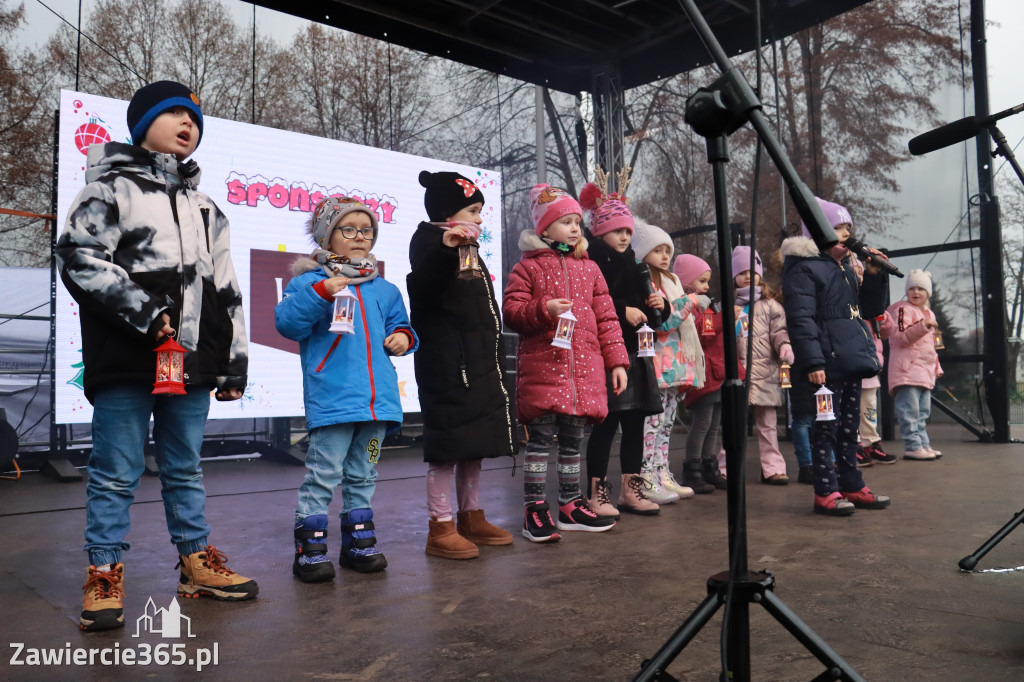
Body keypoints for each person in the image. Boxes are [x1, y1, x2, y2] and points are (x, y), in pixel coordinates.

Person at [56, 81, 258, 631]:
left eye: (194, 118)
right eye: (173, 113)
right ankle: (104, 573)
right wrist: (147, 313)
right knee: (115, 471)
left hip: (190, 364)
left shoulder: (207, 207)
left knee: (185, 468)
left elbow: (228, 289)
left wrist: (233, 363)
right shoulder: (110, 188)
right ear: (141, 122)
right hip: (126, 358)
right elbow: (78, 255)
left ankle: (196, 563)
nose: (187, 123)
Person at [276, 196, 418, 579]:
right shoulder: (308, 282)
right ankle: (310, 549)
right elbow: (288, 324)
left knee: (364, 474)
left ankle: (358, 543)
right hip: (334, 401)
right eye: (349, 229)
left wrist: (403, 338)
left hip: (377, 406)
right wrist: (321, 293)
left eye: (366, 230)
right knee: (323, 474)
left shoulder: (383, 289)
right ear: (327, 235)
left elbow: (401, 325)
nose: (360, 237)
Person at [503, 184, 627, 542]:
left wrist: (617, 361)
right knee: (541, 441)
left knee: (574, 441)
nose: (576, 228)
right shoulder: (527, 268)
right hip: (544, 369)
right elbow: (512, 312)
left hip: (584, 373)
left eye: (577, 222)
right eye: (566, 222)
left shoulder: (589, 270)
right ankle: (534, 510)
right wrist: (545, 310)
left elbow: (607, 319)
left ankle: (571, 504)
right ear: (544, 229)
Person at [408, 170, 514, 560]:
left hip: (477, 364)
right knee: (446, 450)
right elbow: (424, 287)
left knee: (473, 447)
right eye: (473, 210)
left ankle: (471, 516)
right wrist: (445, 249)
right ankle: (441, 526)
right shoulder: (429, 243)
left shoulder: (469, 248)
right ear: (448, 213)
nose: (480, 219)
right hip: (449, 366)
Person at [781, 197, 891, 515]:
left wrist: (873, 275)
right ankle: (825, 490)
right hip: (825, 365)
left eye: (847, 228)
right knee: (825, 428)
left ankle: (851, 484)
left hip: (849, 359)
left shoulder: (842, 267)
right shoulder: (803, 269)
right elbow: (801, 319)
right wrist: (813, 361)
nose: (845, 233)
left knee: (848, 428)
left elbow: (867, 311)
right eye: (837, 228)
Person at [580, 176, 665, 515]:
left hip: (639, 353)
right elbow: (588, 303)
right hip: (608, 354)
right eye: (618, 231)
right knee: (606, 425)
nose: (625, 237)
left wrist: (660, 305)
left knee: (636, 424)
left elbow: (653, 317)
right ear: (600, 232)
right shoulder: (592, 263)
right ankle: (596, 491)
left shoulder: (636, 265)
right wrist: (621, 310)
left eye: (628, 231)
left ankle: (632, 489)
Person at [631, 218, 702, 501]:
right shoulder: (645, 282)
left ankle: (662, 472)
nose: (664, 255)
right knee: (653, 423)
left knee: (668, 422)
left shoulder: (671, 280)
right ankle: (645, 475)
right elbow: (661, 323)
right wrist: (690, 303)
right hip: (658, 363)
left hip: (676, 364)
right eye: (657, 250)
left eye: (667, 250)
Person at [674, 254, 737, 494]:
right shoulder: (692, 306)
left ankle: (709, 465)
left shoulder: (707, 306)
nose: (707, 287)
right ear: (689, 282)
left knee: (714, 425)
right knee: (702, 424)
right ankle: (693, 467)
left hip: (716, 371)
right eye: (702, 281)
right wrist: (724, 318)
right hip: (705, 373)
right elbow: (704, 334)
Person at [732, 246, 794, 484]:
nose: (748, 276)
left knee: (768, 426)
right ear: (734, 276)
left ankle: (773, 468)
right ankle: (726, 468)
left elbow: (779, 331)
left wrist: (784, 346)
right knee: (733, 426)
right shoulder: (728, 306)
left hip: (765, 371)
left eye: (752, 271)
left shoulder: (770, 305)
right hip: (738, 374)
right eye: (742, 271)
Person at [886, 269, 943, 461]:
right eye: (912, 288)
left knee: (922, 412)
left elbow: (930, 347)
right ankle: (913, 446)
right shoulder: (901, 310)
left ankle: (923, 444)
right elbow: (901, 336)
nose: (916, 292)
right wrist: (924, 325)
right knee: (909, 412)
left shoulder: (928, 312)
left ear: (928, 292)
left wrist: (937, 367)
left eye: (921, 288)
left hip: (924, 373)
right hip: (907, 370)